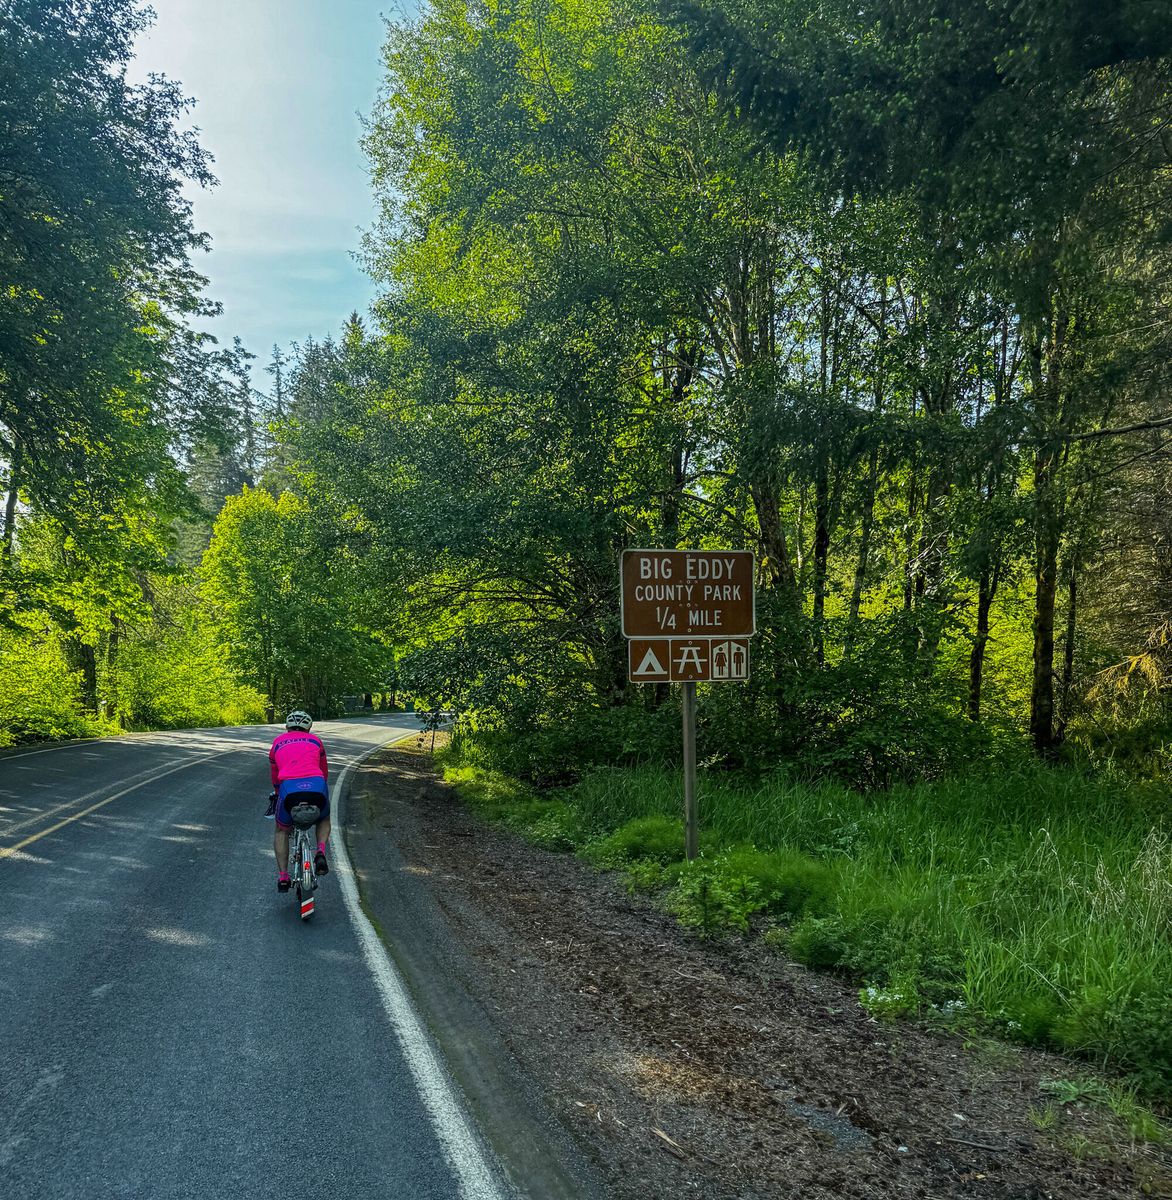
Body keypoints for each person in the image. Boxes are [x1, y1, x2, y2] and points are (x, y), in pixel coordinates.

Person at [268, 710, 330, 893]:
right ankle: (320, 851)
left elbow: (275, 776)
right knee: (324, 819)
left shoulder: (277, 742)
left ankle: (283, 877)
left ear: (287, 727)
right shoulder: (316, 741)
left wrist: (278, 794)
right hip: (316, 786)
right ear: (309, 727)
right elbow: (324, 771)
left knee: (281, 830)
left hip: (289, 789)